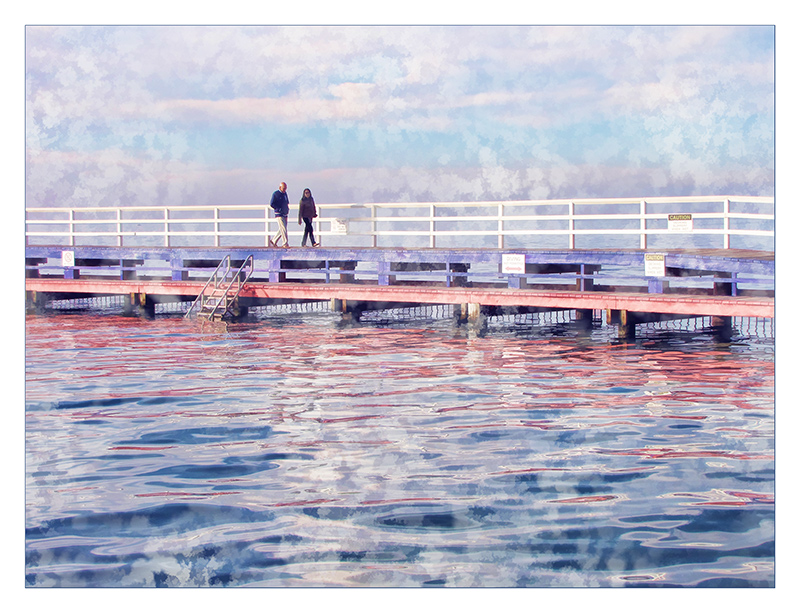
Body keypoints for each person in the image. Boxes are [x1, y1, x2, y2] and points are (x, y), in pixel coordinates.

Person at [269, 182, 290, 248]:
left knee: (282, 229)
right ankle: (285, 243)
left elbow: (287, 202)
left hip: (285, 213)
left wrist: (287, 209)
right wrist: (278, 208)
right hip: (279, 213)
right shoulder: (276, 194)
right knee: (283, 228)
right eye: (283, 188)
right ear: (280, 187)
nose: (284, 190)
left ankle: (273, 240)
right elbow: (272, 203)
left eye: (285, 188)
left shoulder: (285, 194)